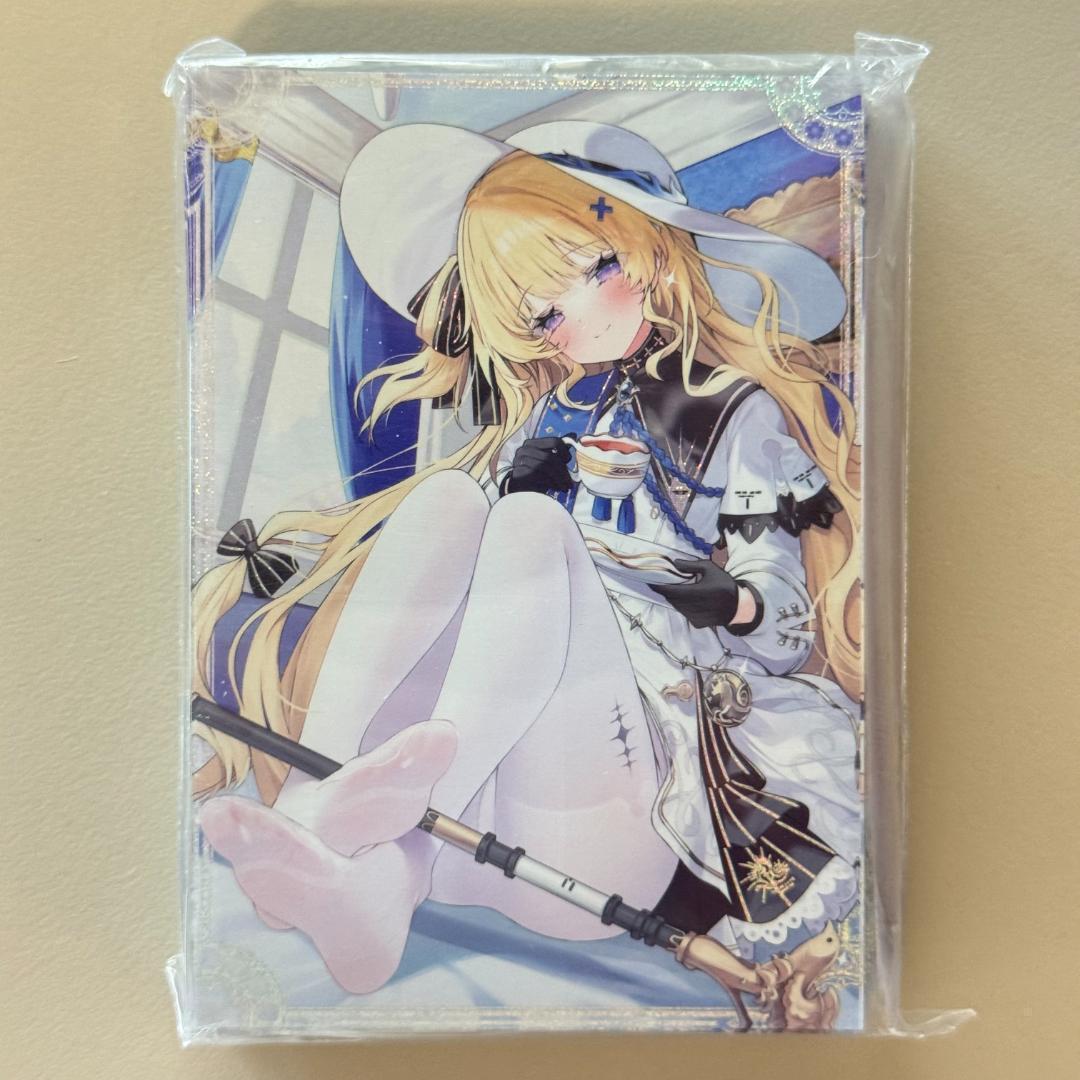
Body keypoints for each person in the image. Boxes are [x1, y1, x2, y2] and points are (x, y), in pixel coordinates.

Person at [194, 121, 862, 1001]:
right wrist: (523, 491)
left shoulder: (732, 413)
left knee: (530, 529)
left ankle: (363, 817)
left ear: (645, 247)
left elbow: (781, 634)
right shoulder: (548, 420)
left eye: (594, 269)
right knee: (448, 501)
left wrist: (708, 591)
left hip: (637, 797)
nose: (574, 321)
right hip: (495, 826)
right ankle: (356, 860)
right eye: (544, 315)